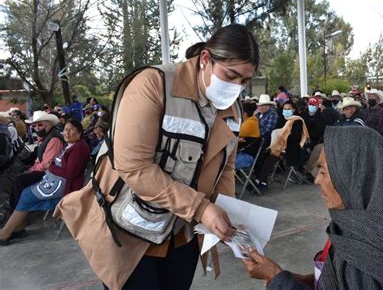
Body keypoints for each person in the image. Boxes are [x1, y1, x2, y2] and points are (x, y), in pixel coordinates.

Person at [56, 24, 259, 290]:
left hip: (182, 236)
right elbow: (134, 166)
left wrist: (226, 214)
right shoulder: (153, 84)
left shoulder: (231, 109)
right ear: (206, 59)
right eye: (231, 75)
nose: (236, 87)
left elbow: (225, 168)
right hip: (130, 235)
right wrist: (201, 208)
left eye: (244, 81)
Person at [242, 126, 383, 289]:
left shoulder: (374, 257)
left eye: (323, 171)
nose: (316, 181)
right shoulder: (358, 224)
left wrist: (275, 278)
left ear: (354, 178)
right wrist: (294, 279)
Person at [0, 119, 90, 245]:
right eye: (65, 130)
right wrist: (52, 166)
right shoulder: (70, 144)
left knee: (26, 194)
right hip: (55, 179)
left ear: (79, 132)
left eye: (71, 130)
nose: (67, 133)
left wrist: (52, 167)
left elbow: (70, 173)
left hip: (64, 185)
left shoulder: (78, 148)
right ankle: (18, 227)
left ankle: (5, 234)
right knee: (24, 190)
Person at [254, 100, 309, 190]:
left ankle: (262, 181)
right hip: (280, 146)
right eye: (285, 109)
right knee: (264, 154)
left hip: (291, 147)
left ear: (294, 110)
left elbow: (295, 138)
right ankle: (259, 178)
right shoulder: (282, 119)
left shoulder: (297, 121)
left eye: (288, 109)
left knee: (270, 158)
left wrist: (282, 141)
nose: (286, 111)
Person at [236, 102, 261, 169]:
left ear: (245, 114)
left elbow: (234, 135)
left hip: (247, 156)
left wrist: (236, 139)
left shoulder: (249, 123)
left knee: (223, 164)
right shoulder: (251, 121)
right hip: (245, 154)